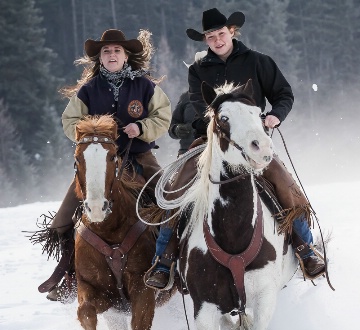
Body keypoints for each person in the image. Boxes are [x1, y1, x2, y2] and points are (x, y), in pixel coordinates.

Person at [145, 8, 325, 290]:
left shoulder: (258, 61)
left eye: (221, 34)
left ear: (232, 32)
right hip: (210, 143)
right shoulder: (198, 70)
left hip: (253, 141)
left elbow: (283, 93)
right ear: (205, 40)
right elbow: (198, 105)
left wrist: (275, 114)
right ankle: (164, 260)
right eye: (210, 36)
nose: (217, 40)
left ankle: (306, 249)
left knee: (284, 184)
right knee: (175, 189)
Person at [40, 28, 171, 301]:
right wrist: (91, 134)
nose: (112, 55)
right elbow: (69, 122)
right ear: (99, 58)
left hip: (139, 157)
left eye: (117, 51)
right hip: (98, 164)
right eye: (106, 51)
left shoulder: (145, 86)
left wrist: (143, 127)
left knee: (170, 201)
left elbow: (163, 116)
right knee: (62, 219)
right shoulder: (89, 90)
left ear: (126, 56)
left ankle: (171, 265)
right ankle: (69, 275)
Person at [168, 91, 196, 157]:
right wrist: (175, 129)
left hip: (216, 151)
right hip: (187, 151)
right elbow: (172, 124)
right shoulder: (186, 96)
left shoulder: (221, 95)